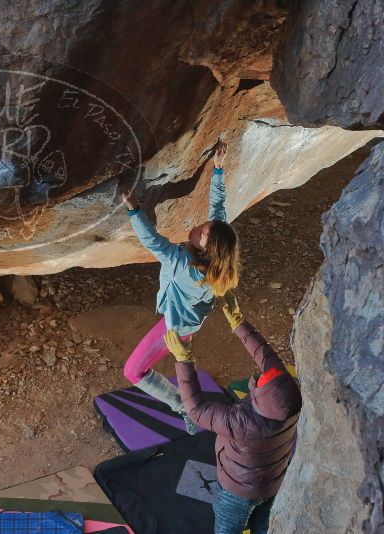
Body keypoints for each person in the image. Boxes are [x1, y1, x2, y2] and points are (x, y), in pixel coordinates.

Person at [120, 141, 239, 432]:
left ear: (205, 249)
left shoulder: (182, 263)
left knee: (133, 370)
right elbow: (218, 210)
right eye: (204, 227)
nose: (197, 228)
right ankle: (189, 401)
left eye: (200, 233)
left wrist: (133, 209)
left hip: (175, 327)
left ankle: (184, 407)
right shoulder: (219, 257)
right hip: (192, 321)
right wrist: (219, 169)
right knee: (182, 360)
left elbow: (152, 242)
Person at [164, 293, 302, 534]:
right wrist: (238, 322)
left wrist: (183, 360)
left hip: (238, 492)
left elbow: (196, 410)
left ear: (260, 394)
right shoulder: (292, 398)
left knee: (227, 528)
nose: (261, 375)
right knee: (264, 526)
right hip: (273, 483)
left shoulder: (244, 423)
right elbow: (267, 356)